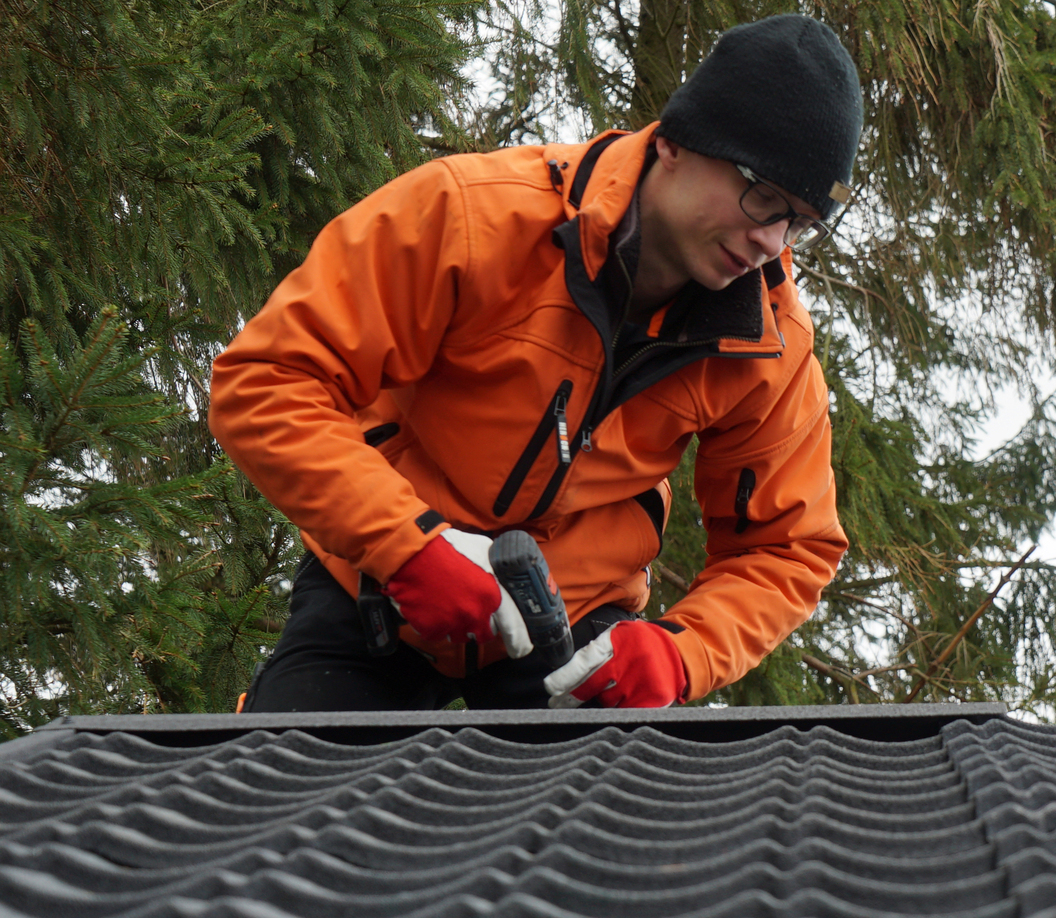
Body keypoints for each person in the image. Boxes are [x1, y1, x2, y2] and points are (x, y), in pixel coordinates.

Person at [210, 15, 861, 711]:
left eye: (797, 223)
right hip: (382, 581)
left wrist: (680, 652)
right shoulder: (469, 216)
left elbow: (788, 548)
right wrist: (407, 547)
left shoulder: (772, 344)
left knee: (614, 818)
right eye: (762, 196)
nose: (769, 240)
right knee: (277, 804)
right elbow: (267, 381)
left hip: (574, 634)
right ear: (677, 142)